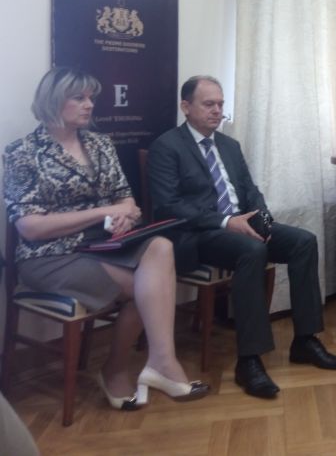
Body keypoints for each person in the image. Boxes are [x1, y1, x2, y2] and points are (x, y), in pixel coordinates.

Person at [2, 68, 208, 412]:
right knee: (146, 289)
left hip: (104, 246)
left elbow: (126, 200)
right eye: (79, 98)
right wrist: (104, 212)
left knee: (161, 247)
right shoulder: (22, 151)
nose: (90, 105)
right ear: (54, 101)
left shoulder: (100, 144)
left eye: (91, 98)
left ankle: (160, 360)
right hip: (50, 256)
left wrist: (127, 215)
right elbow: (30, 227)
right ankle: (118, 370)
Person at [147, 76, 336, 401]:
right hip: (197, 234)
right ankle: (249, 360)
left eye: (220, 104)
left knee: (304, 241)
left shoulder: (229, 145)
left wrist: (262, 219)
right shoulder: (167, 146)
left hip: (241, 226)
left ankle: (305, 340)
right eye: (208, 104)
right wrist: (227, 221)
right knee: (252, 250)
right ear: (186, 107)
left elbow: (249, 190)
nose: (217, 111)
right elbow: (169, 206)